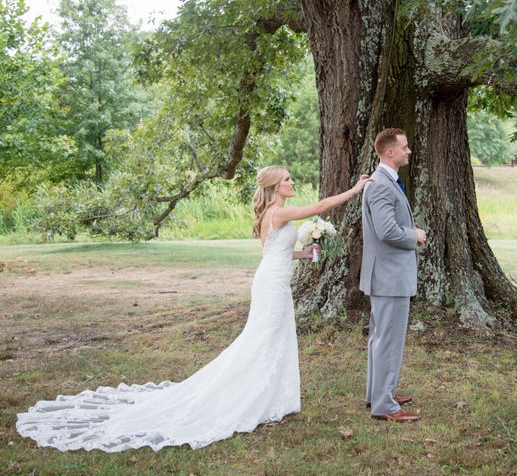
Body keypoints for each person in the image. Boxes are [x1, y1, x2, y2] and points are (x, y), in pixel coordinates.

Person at [16, 165, 371, 452]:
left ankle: (271, 398)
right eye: (288, 179)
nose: (292, 182)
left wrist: (303, 252)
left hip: (273, 279)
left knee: (271, 338)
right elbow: (322, 206)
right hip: (271, 285)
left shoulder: (271, 215)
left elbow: (274, 252)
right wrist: (354, 190)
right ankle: (252, 398)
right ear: (276, 186)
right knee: (261, 340)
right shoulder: (279, 212)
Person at [360, 128, 426, 422]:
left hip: (386, 276)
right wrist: (414, 235)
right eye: (404, 146)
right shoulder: (382, 186)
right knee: (387, 340)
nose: (408, 151)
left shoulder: (384, 181)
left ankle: (378, 394)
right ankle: (384, 405)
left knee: (380, 338)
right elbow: (386, 231)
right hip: (389, 277)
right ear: (390, 152)